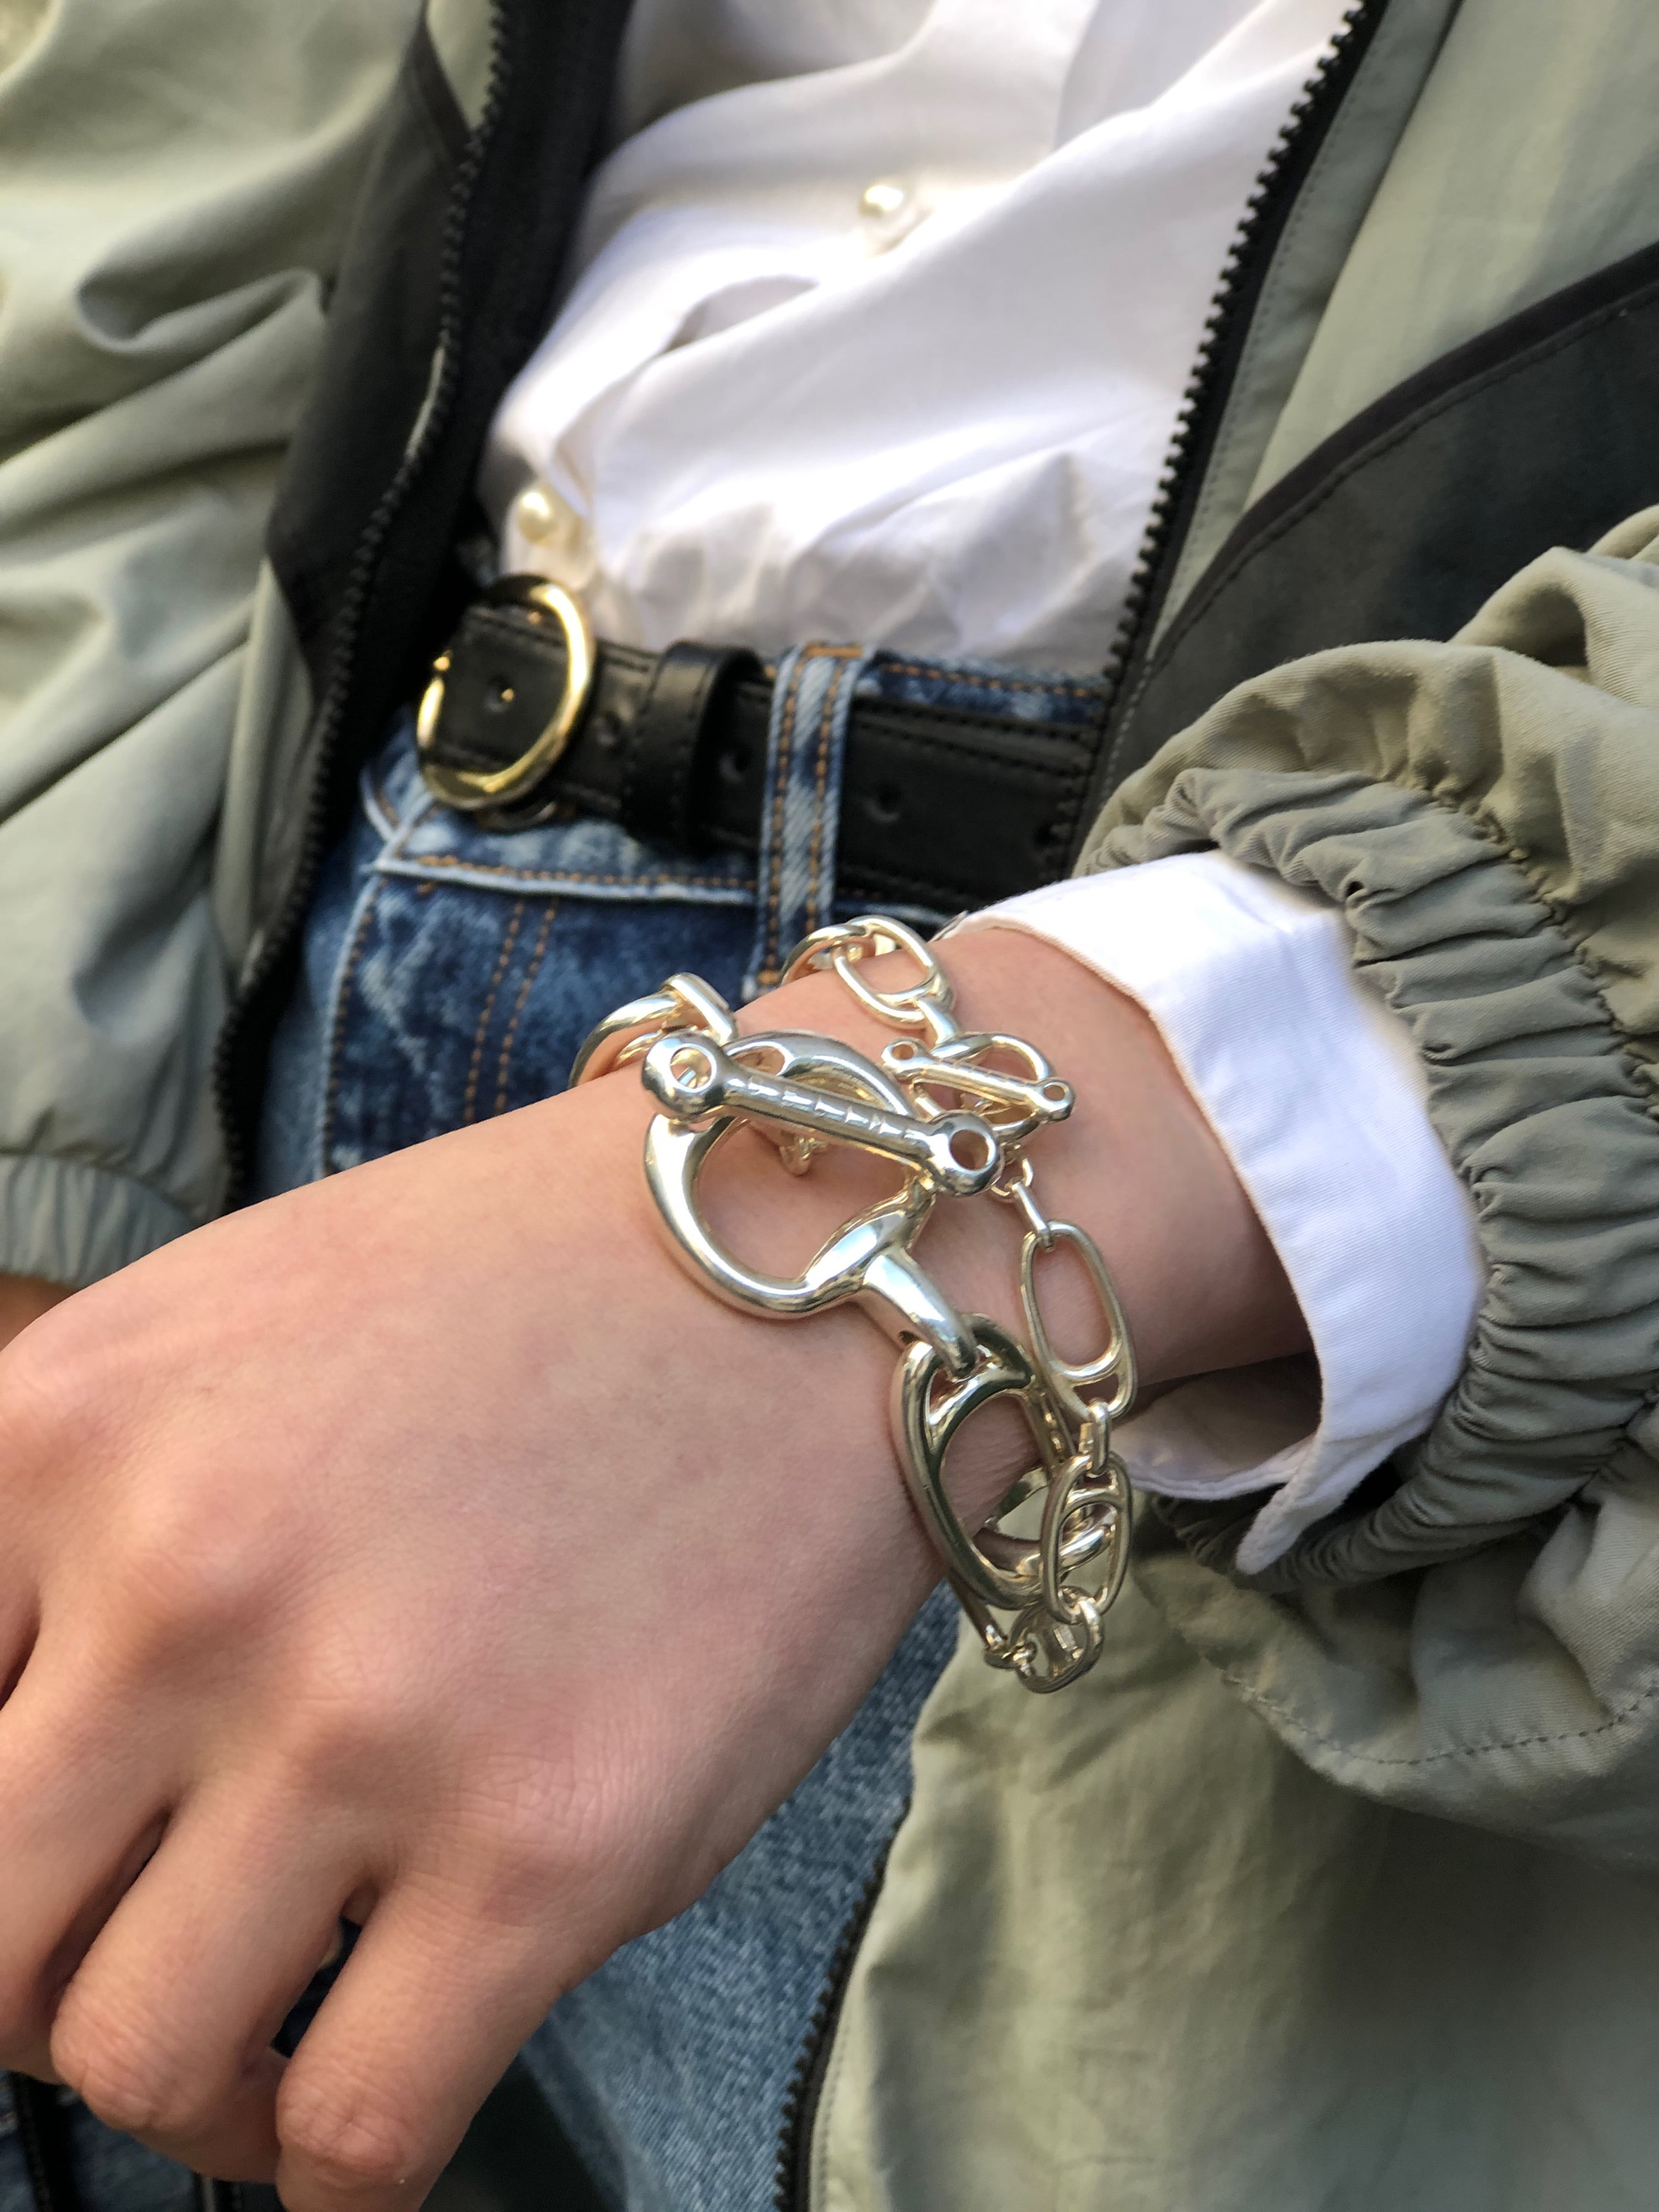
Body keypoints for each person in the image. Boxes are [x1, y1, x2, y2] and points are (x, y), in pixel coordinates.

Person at [4, 2, 1659, 2209]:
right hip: (275, 993)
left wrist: (1209, 1089)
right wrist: (48, 1148)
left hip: (1300, 1303)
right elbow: (133, 265)